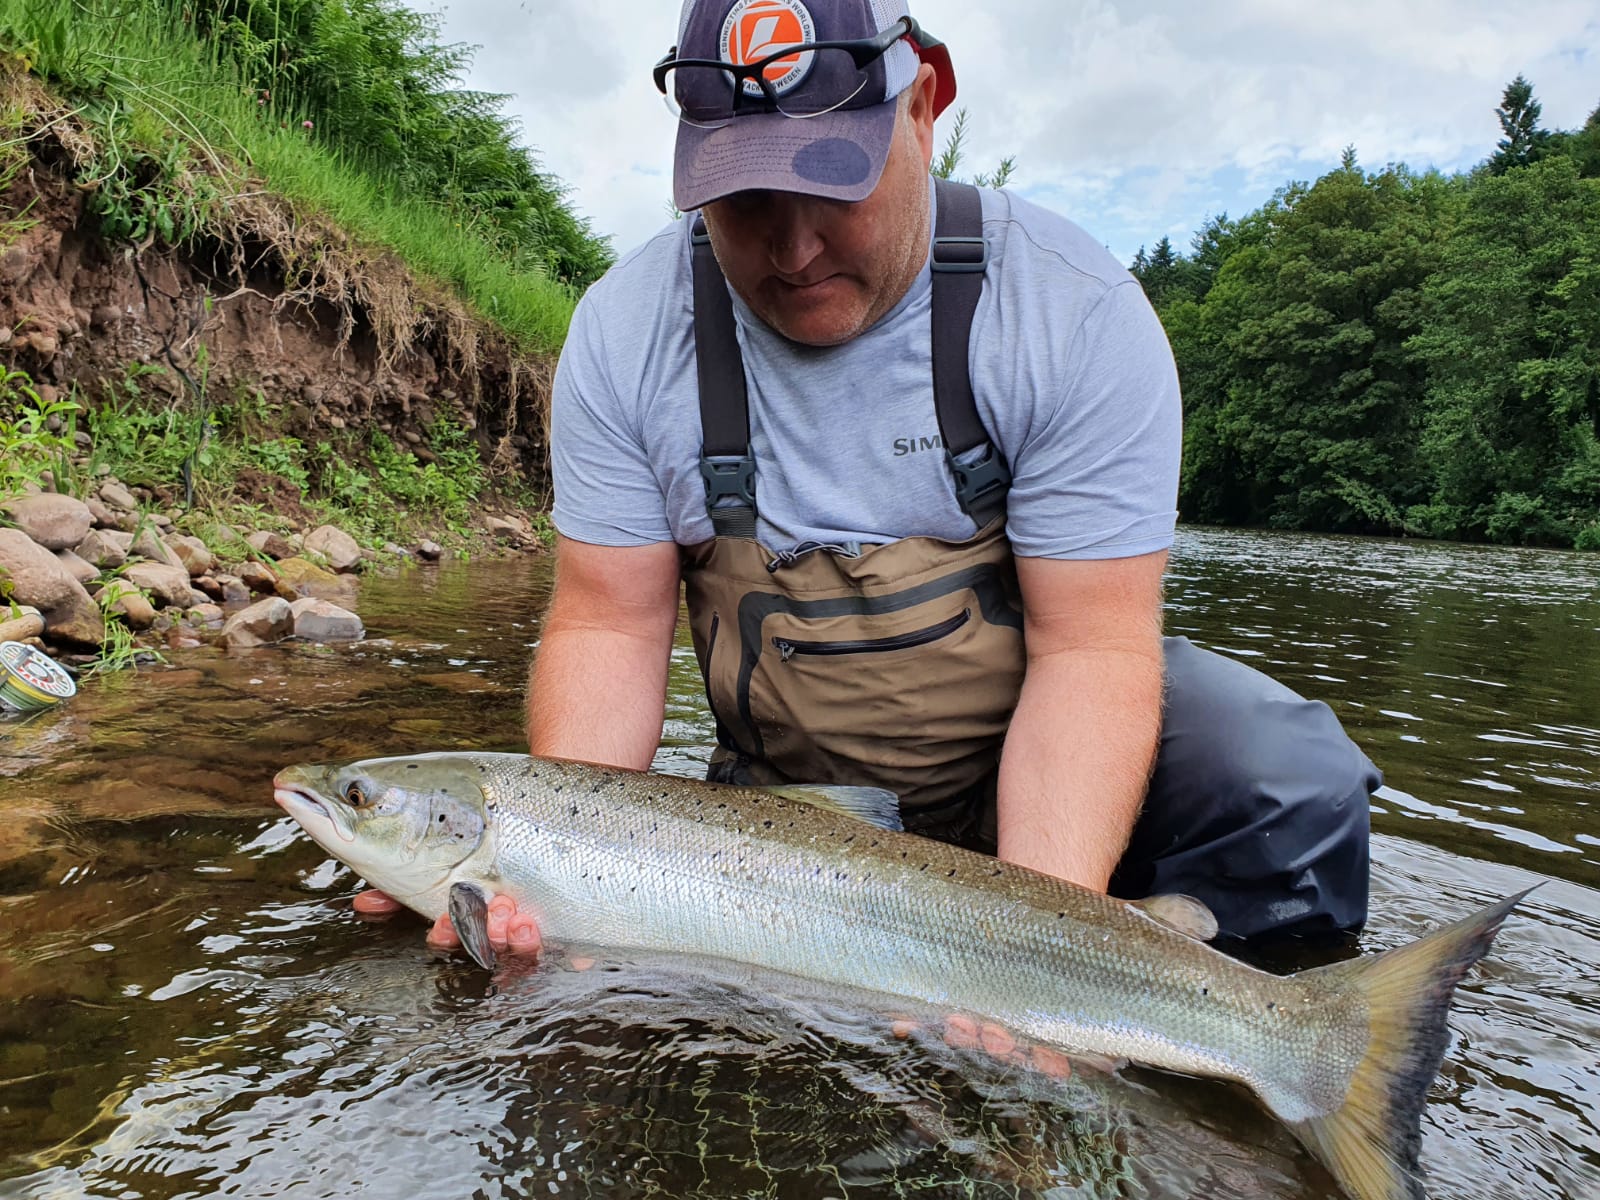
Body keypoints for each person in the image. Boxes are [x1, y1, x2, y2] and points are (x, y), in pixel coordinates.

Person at [359, 0, 1379, 962]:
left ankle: (1261, 1045)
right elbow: (608, 627)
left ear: (924, 104)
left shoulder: (1072, 316)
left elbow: (1092, 653)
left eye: (830, 180)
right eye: (746, 197)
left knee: (1281, 778)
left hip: (1026, 778)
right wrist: (547, 872)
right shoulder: (627, 335)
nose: (793, 247)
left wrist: (1022, 949)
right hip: (790, 808)